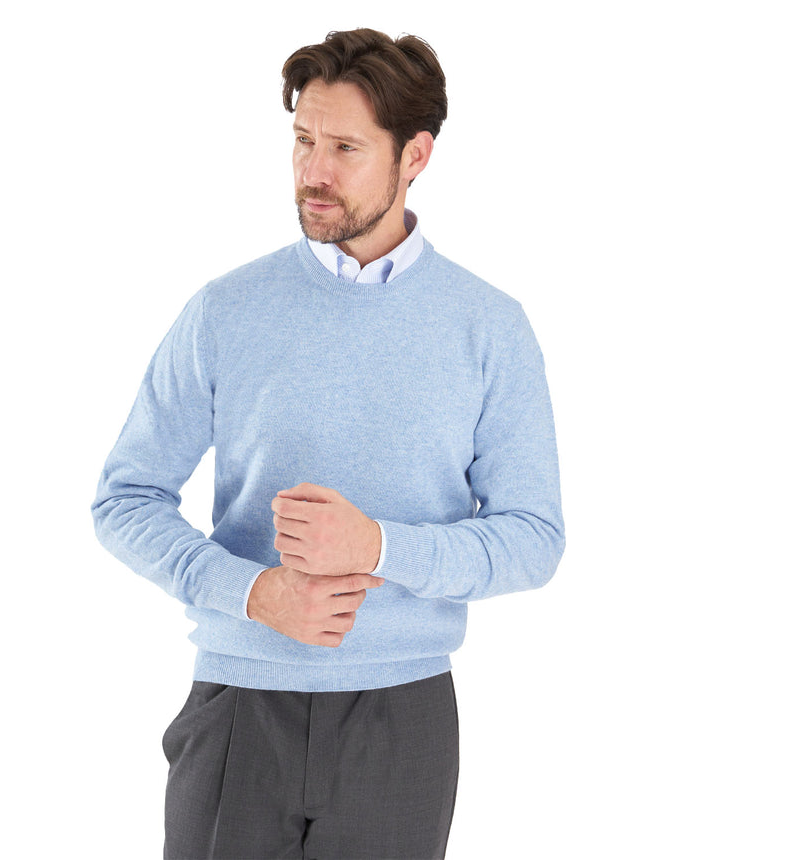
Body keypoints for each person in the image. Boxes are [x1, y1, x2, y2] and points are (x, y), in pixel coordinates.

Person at [92, 27, 565, 860]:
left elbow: (534, 540)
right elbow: (125, 499)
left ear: (415, 155)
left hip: (402, 719)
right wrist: (252, 593)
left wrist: (379, 547)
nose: (314, 171)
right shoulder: (226, 310)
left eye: (345, 148)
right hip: (239, 705)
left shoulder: (489, 328)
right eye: (304, 140)